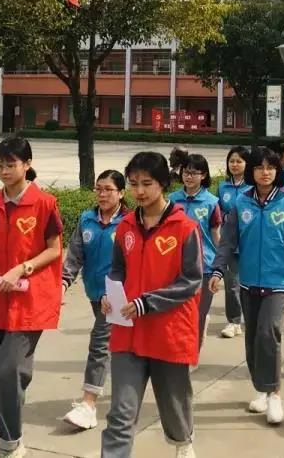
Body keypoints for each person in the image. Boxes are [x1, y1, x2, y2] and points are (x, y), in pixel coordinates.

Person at [100, 152, 200, 458]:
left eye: (147, 183)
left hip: (168, 333)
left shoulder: (185, 228)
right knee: (120, 413)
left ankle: (183, 442)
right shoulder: (126, 227)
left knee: (174, 405)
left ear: (163, 183)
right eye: (133, 184)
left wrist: (148, 302)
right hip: (128, 332)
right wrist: (110, 294)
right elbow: (118, 269)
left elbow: (191, 280)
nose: (139, 191)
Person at [0, 137, 63, 458]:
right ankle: (4, 442)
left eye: (11, 164)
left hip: (30, 300)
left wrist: (23, 269)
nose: (4, 171)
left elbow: (55, 249)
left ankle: (11, 443)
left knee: (9, 371)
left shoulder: (45, 203)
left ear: (27, 164)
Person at [210, 146, 284, 426]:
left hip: (280, 280)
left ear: (277, 171)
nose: (265, 173)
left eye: (270, 167)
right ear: (252, 171)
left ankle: (274, 393)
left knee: (268, 332)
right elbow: (228, 242)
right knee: (251, 339)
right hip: (248, 280)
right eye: (260, 167)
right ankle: (261, 388)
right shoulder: (241, 203)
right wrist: (218, 269)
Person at [60, 170, 129, 431]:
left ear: (121, 193)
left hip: (118, 295)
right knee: (118, 345)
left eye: (108, 189)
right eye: (98, 189)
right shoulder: (87, 219)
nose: (102, 194)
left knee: (99, 343)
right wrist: (63, 282)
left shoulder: (129, 223)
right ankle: (130, 389)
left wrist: (120, 292)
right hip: (94, 293)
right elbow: (75, 255)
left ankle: (88, 404)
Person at [169, 153, 223, 352]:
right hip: (176, 265)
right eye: (185, 172)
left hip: (205, 266)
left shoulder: (211, 202)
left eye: (193, 173)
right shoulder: (172, 200)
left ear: (204, 175)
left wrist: (220, 266)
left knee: (198, 314)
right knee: (176, 312)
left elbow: (216, 235)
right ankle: (177, 349)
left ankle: (193, 351)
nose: (189, 177)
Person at [218, 146, 249, 339]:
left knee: (248, 284)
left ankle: (250, 317)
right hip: (230, 242)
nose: (235, 165)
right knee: (231, 284)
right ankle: (234, 321)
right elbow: (217, 210)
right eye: (232, 161)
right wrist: (224, 217)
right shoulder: (223, 187)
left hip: (250, 242)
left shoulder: (252, 187)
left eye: (239, 161)